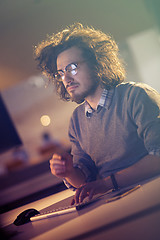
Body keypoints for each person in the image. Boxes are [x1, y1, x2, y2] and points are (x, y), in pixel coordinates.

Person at [34, 23, 160, 204]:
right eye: (61, 73)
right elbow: (87, 181)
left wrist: (108, 184)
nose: (66, 79)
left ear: (97, 63)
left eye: (72, 68)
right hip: (112, 203)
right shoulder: (77, 121)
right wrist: (69, 172)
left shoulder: (137, 95)